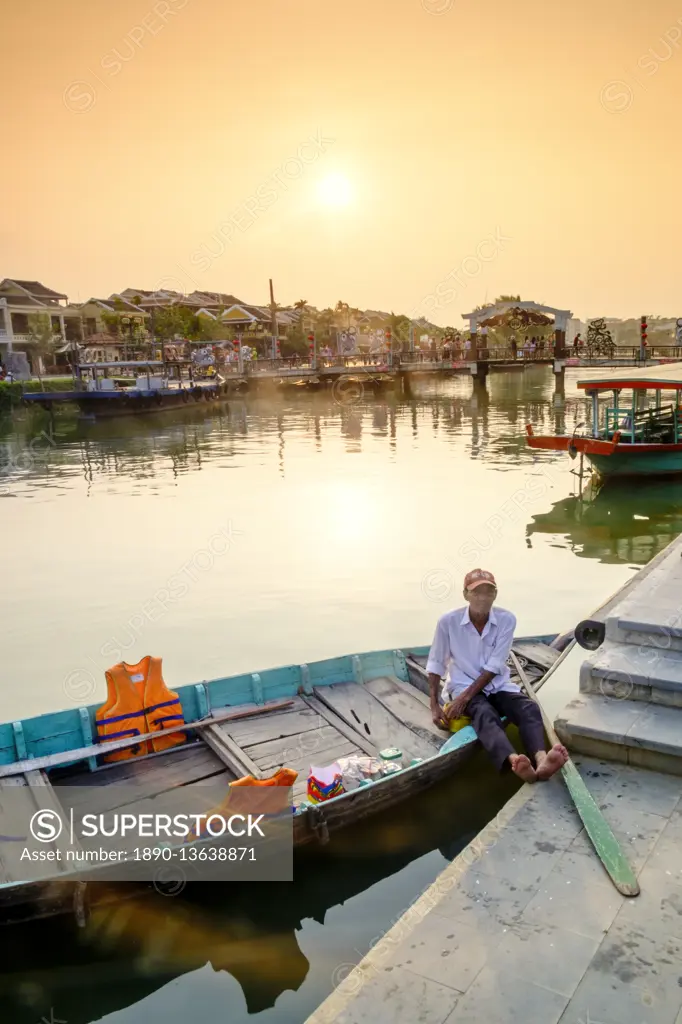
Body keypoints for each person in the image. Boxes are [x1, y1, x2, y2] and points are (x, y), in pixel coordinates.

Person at [426, 569, 569, 783]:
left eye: (488, 592)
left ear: (495, 594)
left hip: (497, 683)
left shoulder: (506, 619)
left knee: (528, 708)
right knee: (484, 712)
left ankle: (540, 760)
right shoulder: (448, 622)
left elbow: (494, 666)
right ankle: (515, 761)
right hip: (462, 684)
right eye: (476, 592)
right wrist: (435, 705)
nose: (483, 597)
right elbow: (436, 663)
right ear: (465, 594)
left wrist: (463, 699)